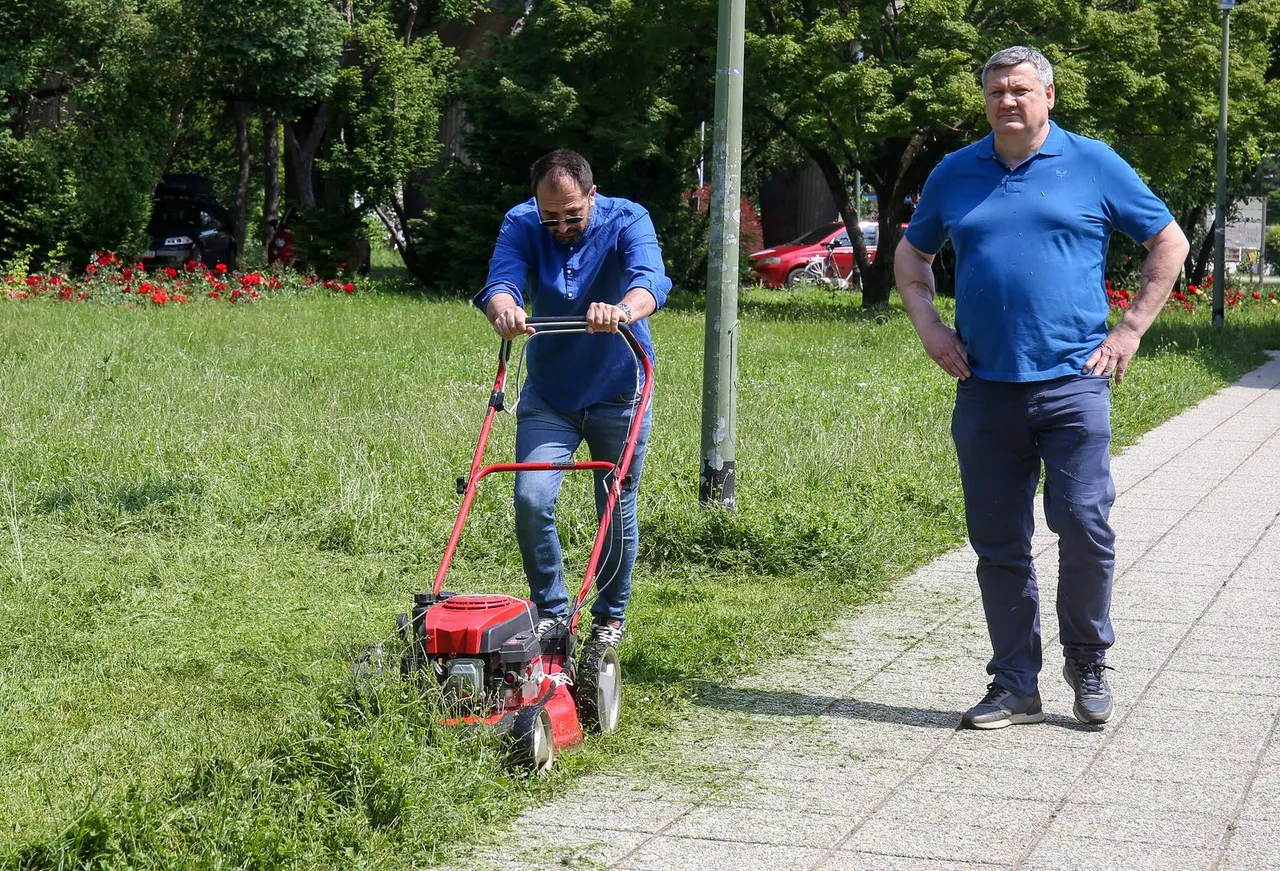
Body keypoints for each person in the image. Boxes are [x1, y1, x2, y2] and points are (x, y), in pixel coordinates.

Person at [895, 46, 1189, 729]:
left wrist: (1130, 330)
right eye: (997, 91)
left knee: (1084, 522)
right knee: (998, 541)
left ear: (1048, 96)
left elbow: (1168, 242)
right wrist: (931, 328)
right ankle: (1015, 684)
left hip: (1073, 385)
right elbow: (913, 256)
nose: (1007, 100)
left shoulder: (1093, 163)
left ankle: (1087, 659)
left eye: (1021, 89)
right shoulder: (955, 172)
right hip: (985, 388)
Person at [474, 148, 671, 650]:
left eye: (572, 215)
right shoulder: (521, 223)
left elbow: (651, 281)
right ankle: (552, 615)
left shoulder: (628, 218)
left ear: (592, 195)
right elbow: (501, 281)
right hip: (550, 395)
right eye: (550, 217)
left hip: (619, 389)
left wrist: (624, 310)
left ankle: (609, 618)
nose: (560, 225)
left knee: (615, 502)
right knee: (531, 498)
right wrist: (505, 309)